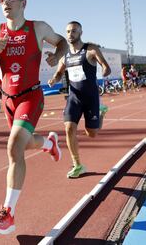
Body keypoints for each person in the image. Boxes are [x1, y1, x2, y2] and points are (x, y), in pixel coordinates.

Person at [0, 0, 68, 235]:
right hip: (8, 99)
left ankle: (8, 214)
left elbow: (60, 42)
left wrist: (55, 56)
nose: (4, 2)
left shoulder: (38, 27)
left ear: (23, 3)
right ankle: (49, 144)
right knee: (23, 143)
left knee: (13, 147)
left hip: (30, 96)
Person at [48, 21, 111, 178]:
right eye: (68, 31)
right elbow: (59, 73)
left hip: (91, 98)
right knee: (69, 128)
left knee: (92, 134)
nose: (70, 34)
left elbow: (105, 65)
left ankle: (101, 112)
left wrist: (105, 69)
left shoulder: (90, 49)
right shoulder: (65, 56)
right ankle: (77, 165)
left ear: (80, 32)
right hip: (74, 98)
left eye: (74, 31)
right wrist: (54, 80)